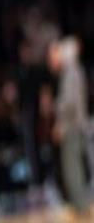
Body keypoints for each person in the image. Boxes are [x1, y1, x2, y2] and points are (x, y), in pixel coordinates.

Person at [48, 36, 93, 217]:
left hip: (72, 128)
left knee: (72, 169)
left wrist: (59, 122)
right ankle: (81, 204)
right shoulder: (73, 71)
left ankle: (81, 205)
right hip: (76, 126)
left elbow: (69, 104)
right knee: (76, 168)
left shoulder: (71, 72)